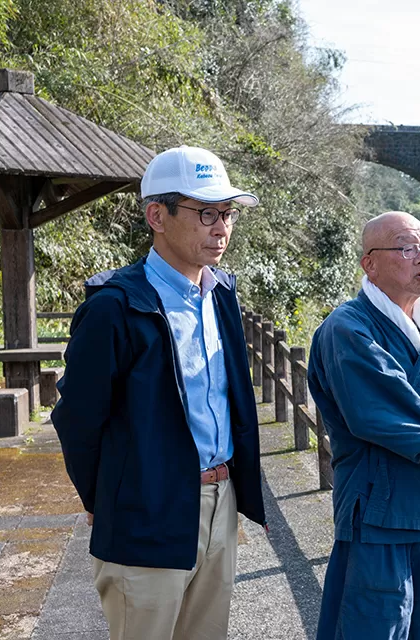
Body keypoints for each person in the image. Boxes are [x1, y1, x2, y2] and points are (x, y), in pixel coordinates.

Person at [51, 145, 266, 640]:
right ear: (157, 215)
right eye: (206, 212)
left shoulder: (221, 293)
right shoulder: (114, 308)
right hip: (146, 511)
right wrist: (105, 497)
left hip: (220, 499)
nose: (222, 228)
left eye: (228, 213)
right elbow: (78, 420)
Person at [308, 211, 420, 640]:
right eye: (407, 248)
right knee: (371, 627)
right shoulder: (348, 328)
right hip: (378, 514)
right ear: (369, 263)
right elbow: (381, 409)